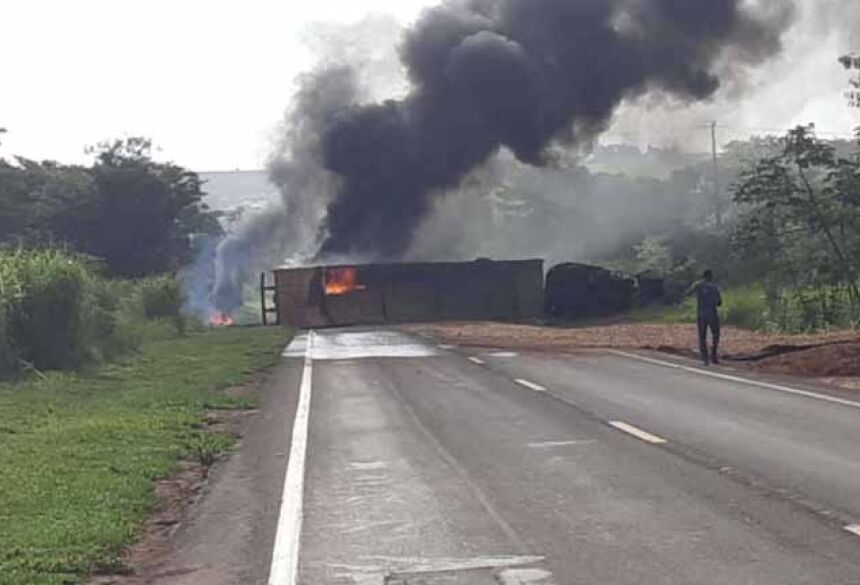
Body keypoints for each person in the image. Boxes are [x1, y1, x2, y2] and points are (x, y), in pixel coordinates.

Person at [688, 270, 722, 365]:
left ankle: (705, 358)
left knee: (702, 336)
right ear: (711, 277)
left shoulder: (697, 284)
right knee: (716, 334)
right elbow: (719, 302)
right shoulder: (714, 287)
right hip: (712, 313)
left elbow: (688, 293)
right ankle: (714, 355)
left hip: (701, 314)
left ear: (703, 276)